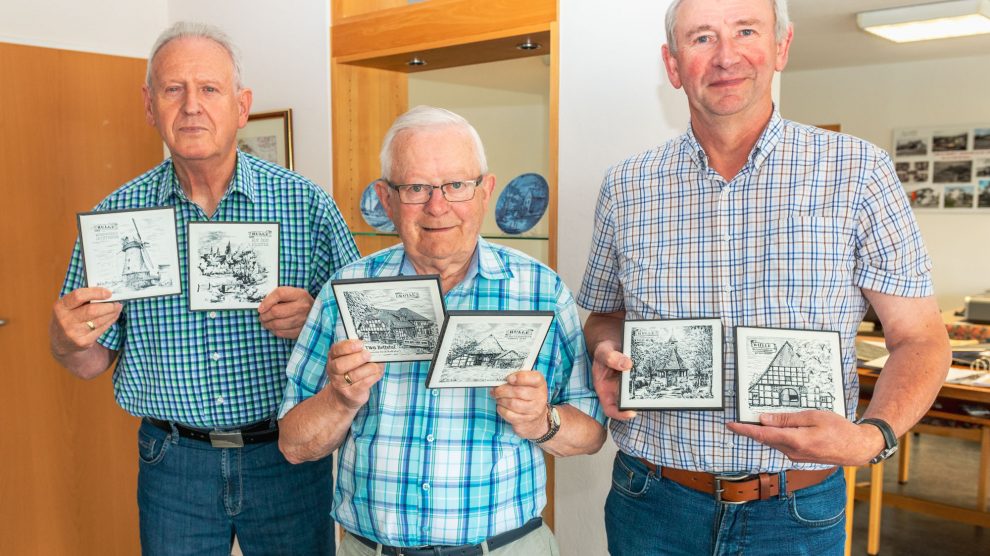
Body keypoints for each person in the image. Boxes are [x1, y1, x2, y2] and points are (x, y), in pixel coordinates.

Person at [577, 0, 951, 554]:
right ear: (674, 64)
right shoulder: (627, 185)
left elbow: (920, 338)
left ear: (781, 46)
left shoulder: (858, 172)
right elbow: (605, 315)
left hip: (796, 511)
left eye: (745, 30)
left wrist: (872, 437)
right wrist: (609, 352)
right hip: (651, 501)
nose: (726, 56)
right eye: (701, 38)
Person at [49, 21, 358, 555]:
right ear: (150, 105)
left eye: (209, 89)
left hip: (287, 453)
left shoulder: (306, 206)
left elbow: (364, 341)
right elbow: (89, 361)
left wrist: (317, 319)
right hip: (172, 463)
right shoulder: (116, 218)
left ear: (241, 106)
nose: (192, 106)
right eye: (174, 89)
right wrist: (64, 339)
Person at [278, 105, 606, 556]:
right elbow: (294, 445)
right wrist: (339, 399)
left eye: (456, 185)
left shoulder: (541, 291)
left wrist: (541, 420)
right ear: (386, 198)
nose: (438, 206)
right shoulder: (345, 292)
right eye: (416, 187)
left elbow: (591, 435)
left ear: (485, 190)